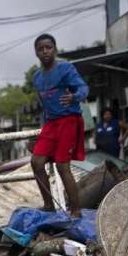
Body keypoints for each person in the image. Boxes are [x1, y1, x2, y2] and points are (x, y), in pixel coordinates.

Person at [30, 33, 88, 218]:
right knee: (36, 162)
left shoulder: (65, 68)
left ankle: (76, 209)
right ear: (36, 53)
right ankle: (49, 205)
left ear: (54, 49)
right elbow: (44, 104)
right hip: (50, 123)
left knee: (63, 166)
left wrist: (74, 96)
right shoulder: (37, 77)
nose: (45, 51)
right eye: (41, 49)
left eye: (48, 47)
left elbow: (84, 88)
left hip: (68, 120)